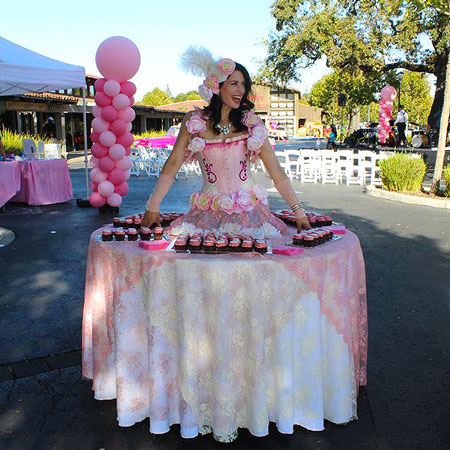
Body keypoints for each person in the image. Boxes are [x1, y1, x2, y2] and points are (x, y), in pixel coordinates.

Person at [142, 47, 311, 236]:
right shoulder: (194, 121)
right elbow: (174, 162)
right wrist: (153, 205)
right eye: (234, 84)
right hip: (207, 216)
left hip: (250, 215)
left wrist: (298, 210)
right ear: (218, 86)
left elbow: (275, 169)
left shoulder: (251, 124)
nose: (241, 90)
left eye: (244, 84)